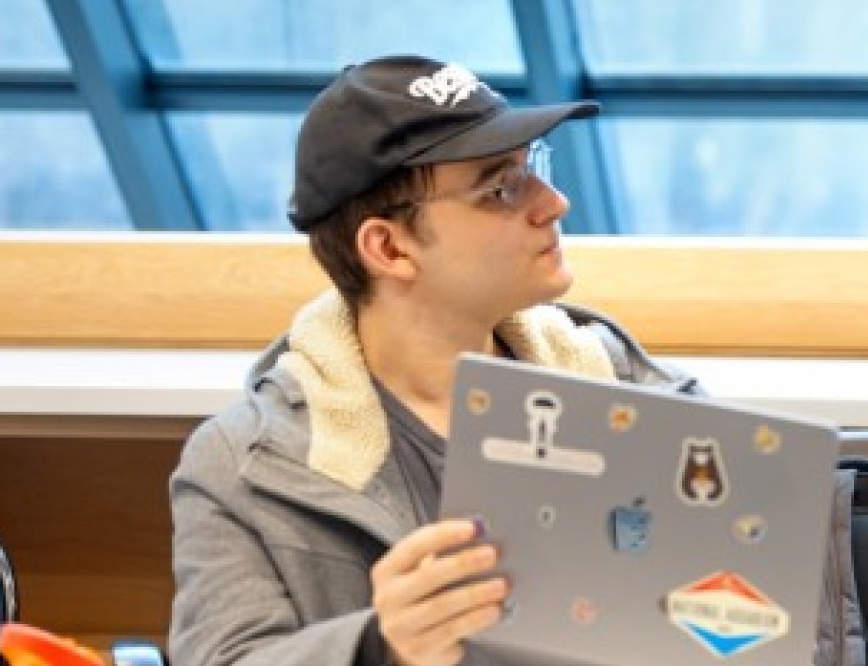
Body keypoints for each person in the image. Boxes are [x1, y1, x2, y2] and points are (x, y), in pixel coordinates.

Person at [168, 56, 696, 666]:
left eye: (535, 171)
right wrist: (379, 647)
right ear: (389, 247)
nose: (554, 203)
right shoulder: (244, 465)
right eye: (501, 188)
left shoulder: (639, 398)